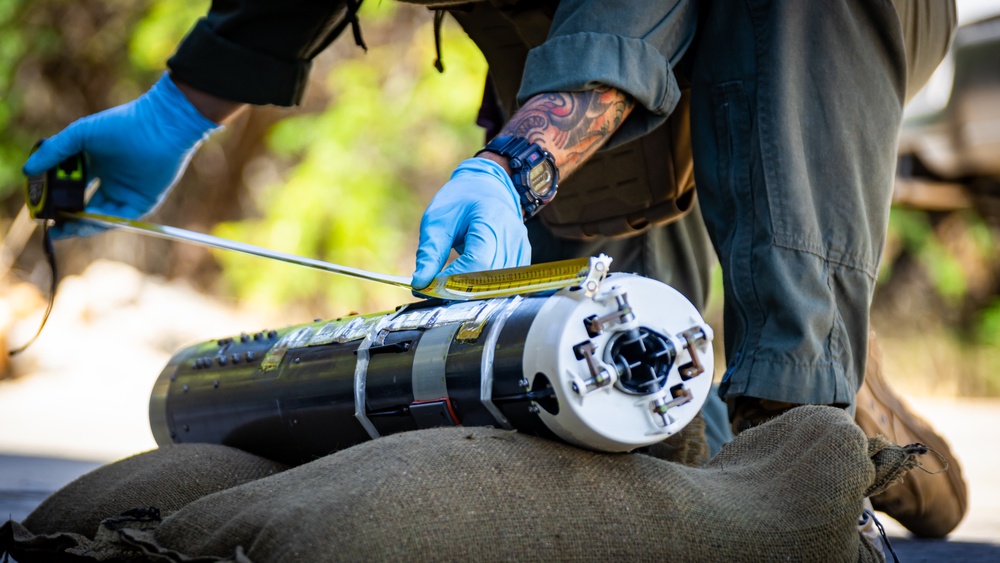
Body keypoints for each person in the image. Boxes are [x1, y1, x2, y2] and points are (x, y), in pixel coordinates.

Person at [23, 0, 965, 538]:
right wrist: (174, 114)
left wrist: (519, 165)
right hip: (566, 40)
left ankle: (806, 401)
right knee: (583, 385)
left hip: (810, 27)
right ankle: (800, 386)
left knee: (788, 12)